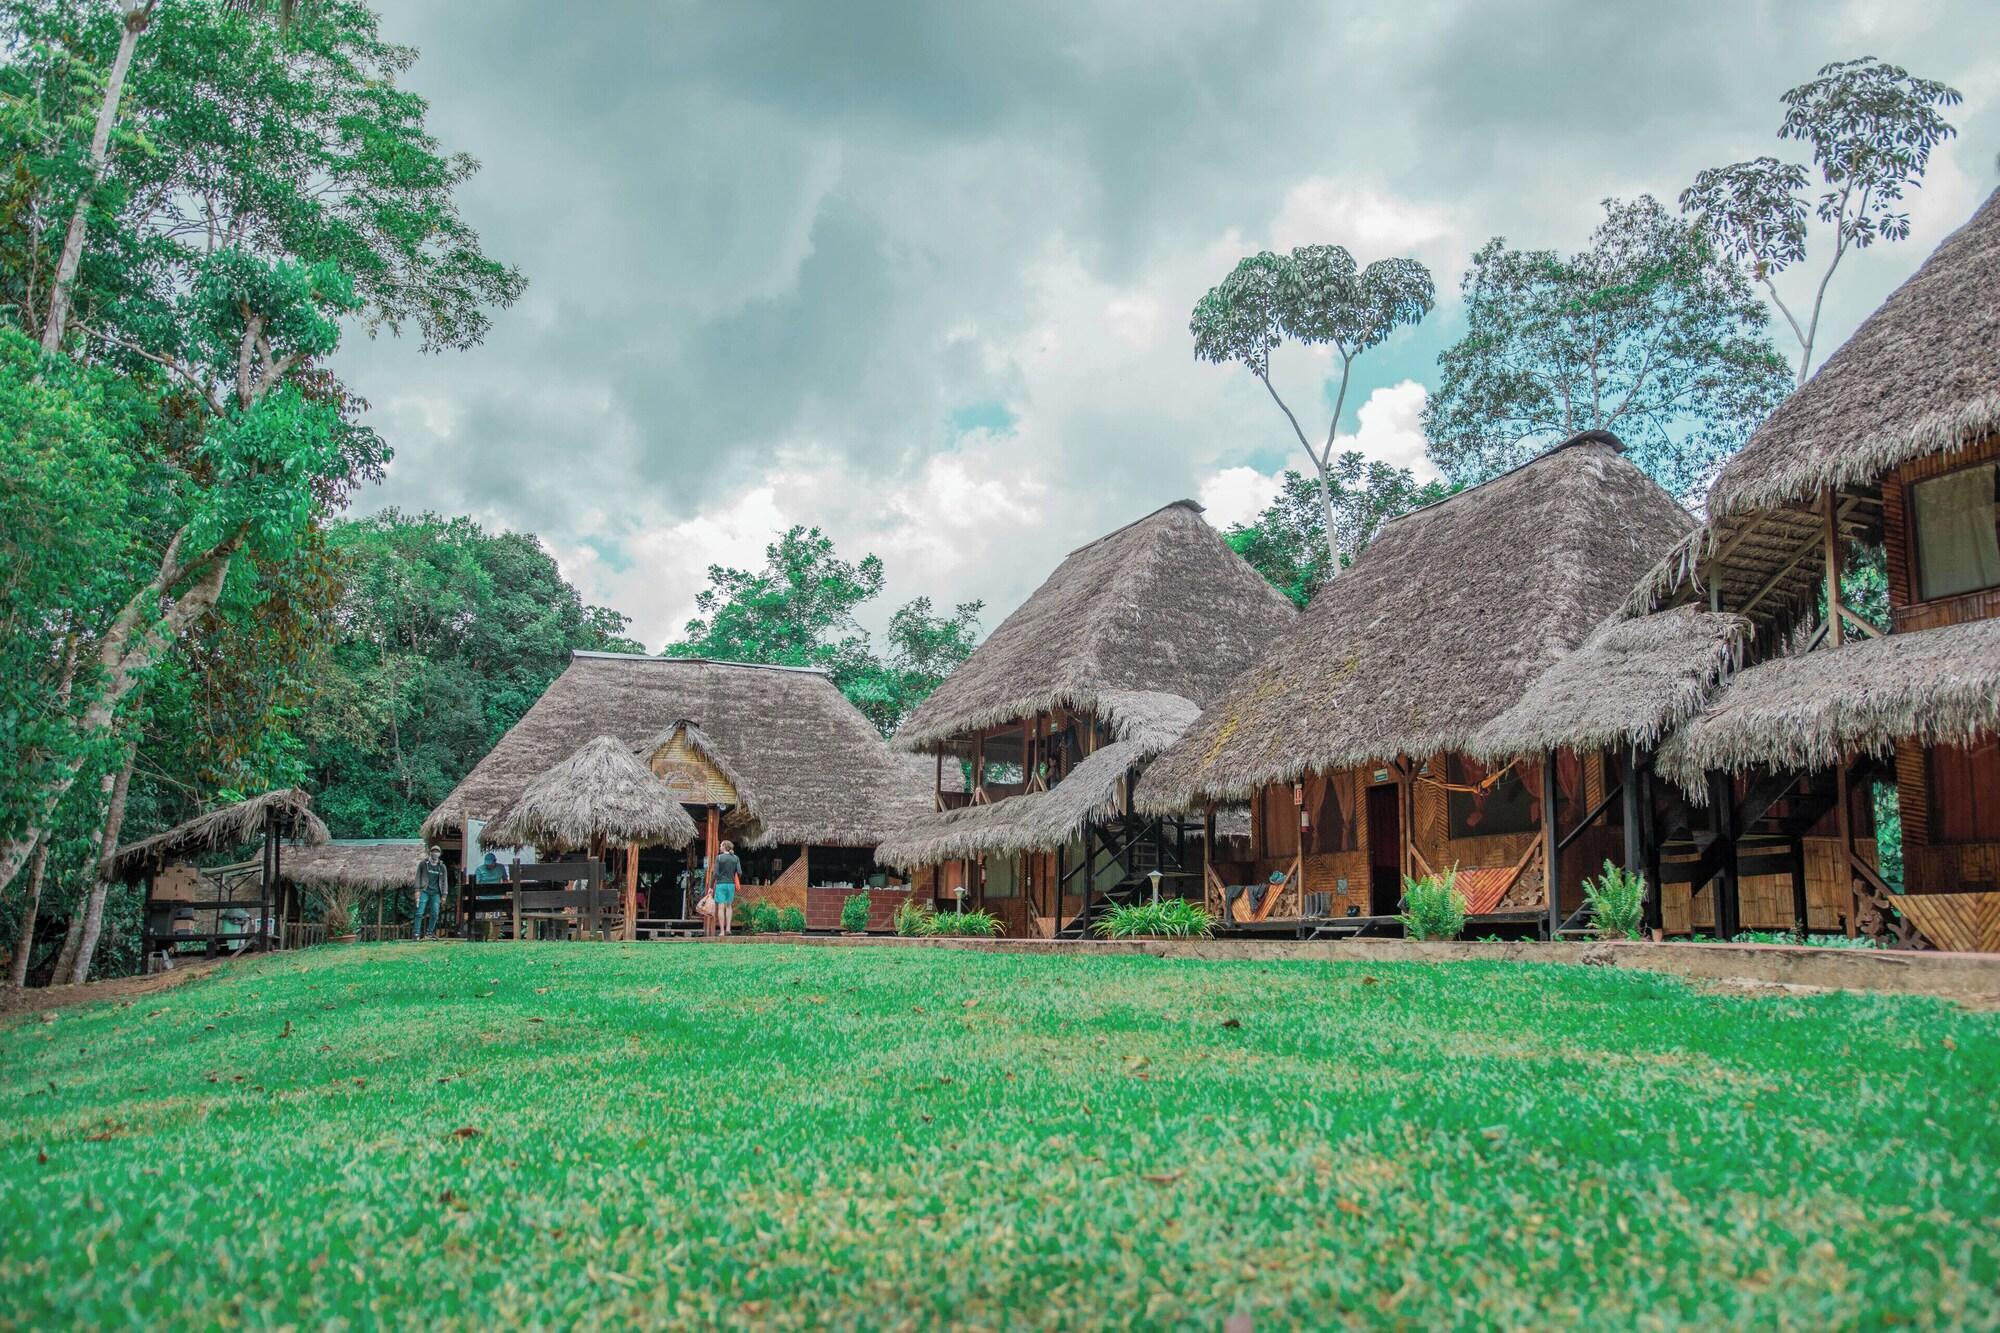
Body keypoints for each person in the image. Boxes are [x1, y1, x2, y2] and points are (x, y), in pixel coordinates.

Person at [413, 845, 451, 940]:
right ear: (430, 852)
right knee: (419, 912)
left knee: (435, 912)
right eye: (433, 851)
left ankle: (429, 933)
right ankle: (416, 933)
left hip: (436, 893)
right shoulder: (423, 864)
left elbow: (444, 881)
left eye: (437, 851)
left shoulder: (442, 867)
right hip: (424, 891)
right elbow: (418, 877)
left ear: (440, 853)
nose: (435, 853)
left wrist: (444, 895)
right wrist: (417, 890)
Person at [711, 840, 741, 937]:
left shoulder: (719, 858)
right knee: (729, 906)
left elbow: (715, 873)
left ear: (724, 846)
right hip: (731, 885)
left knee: (721, 907)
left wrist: (711, 886)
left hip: (721, 884)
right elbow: (739, 872)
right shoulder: (735, 858)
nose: (719, 847)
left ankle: (722, 931)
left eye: (720, 845)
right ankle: (728, 928)